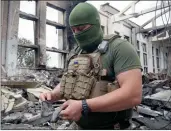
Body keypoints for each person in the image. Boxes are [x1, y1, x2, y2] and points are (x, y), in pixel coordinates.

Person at [40, 2, 142, 130]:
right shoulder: (76, 52)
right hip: (79, 126)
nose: (77, 33)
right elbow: (70, 82)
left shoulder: (120, 48)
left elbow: (133, 95)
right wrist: (52, 95)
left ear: (96, 24)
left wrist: (83, 106)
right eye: (74, 30)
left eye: (82, 29)